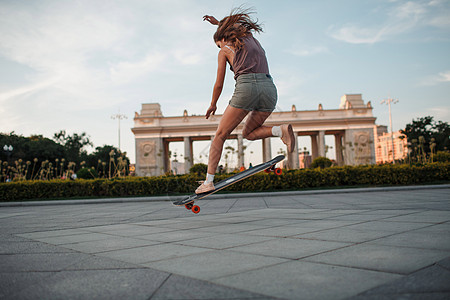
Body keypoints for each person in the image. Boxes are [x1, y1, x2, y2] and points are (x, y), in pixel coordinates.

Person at [196, 8, 294, 194]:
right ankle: (279, 130)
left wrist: (213, 104)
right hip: (269, 89)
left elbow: (219, 84)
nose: (219, 48)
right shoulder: (250, 38)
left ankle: (208, 182)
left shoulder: (225, 49)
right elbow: (235, 27)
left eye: (218, 44)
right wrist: (219, 24)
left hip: (247, 87)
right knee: (248, 132)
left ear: (222, 39)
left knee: (220, 135)